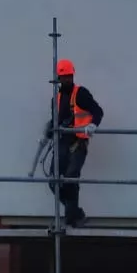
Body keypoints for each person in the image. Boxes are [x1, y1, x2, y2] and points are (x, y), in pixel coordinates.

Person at [44, 58, 104, 227]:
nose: (68, 79)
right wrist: (50, 129)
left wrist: (93, 125)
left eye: (70, 76)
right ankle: (75, 213)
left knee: (71, 177)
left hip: (78, 142)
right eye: (65, 77)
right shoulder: (56, 98)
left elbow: (98, 111)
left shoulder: (81, 93)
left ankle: (72, 218)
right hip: (63, 141)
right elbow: (56, 119)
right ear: (59, 78)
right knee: (54, 181)